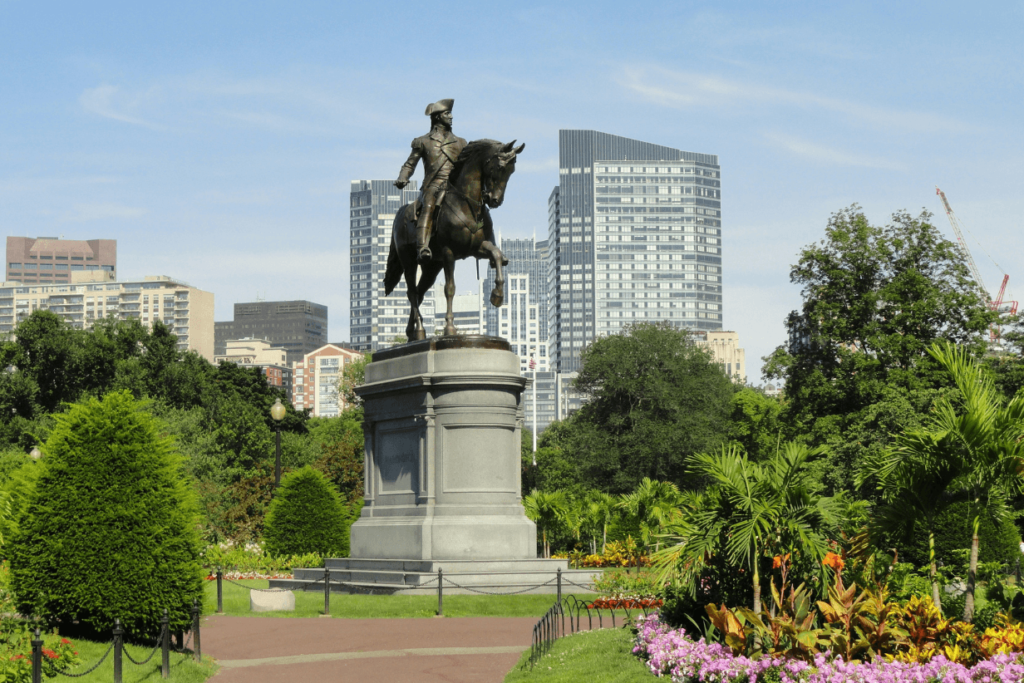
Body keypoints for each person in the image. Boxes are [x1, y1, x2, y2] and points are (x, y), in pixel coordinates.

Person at [394, 99, 468, 264]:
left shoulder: (461, 142)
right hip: (434, 184)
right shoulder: (423, 141)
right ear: (437, 117)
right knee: (428, 204)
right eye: (447, 113)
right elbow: (409, 164)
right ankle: (422, 246)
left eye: (450, 113)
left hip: (454, 187)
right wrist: (403, 177)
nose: (451, 117)